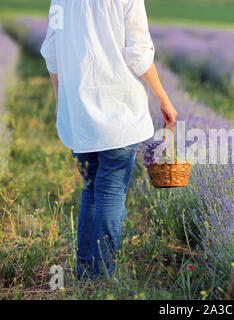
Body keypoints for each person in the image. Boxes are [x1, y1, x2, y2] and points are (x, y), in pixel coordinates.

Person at [40, 0, 177, 280]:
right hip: (119, 111)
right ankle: (100, 275)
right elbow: (138, 55)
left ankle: (87, 272)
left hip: (79, 111)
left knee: (91, 189)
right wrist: (163, 97)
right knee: (110, 192)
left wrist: (61, 103)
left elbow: (52, 54)